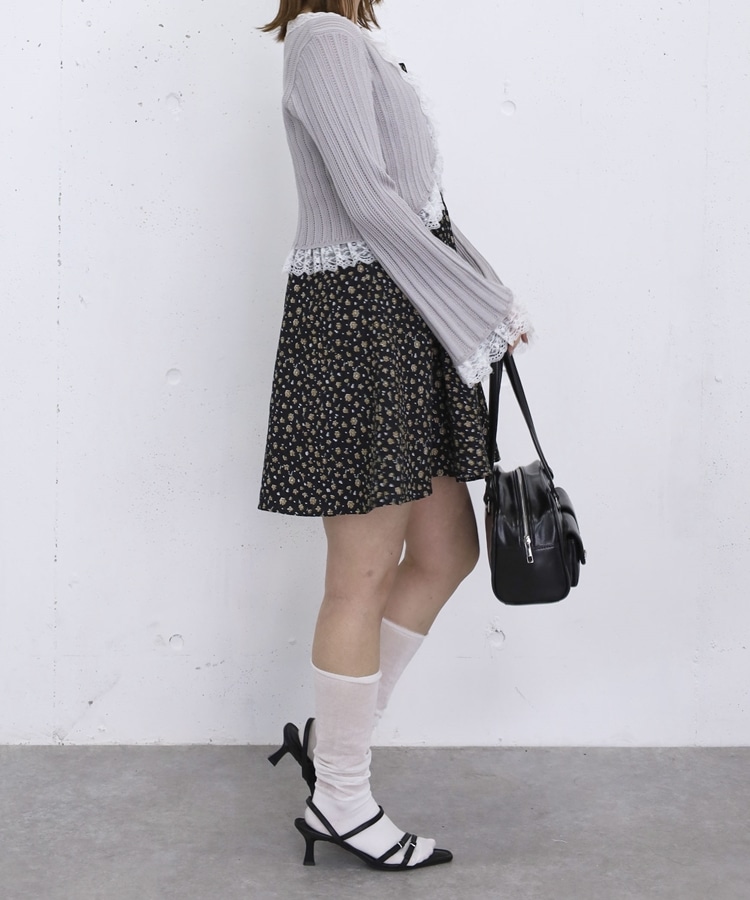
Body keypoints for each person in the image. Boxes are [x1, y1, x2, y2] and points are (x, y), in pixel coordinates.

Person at [258, 0, 530, 871]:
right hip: (359, 328)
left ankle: (335, 755)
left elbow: (422, 208)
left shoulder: (357, 45)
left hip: (403, 320)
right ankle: (341, 797)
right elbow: (370, 202)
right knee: (362, 575)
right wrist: (479, 308)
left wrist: (489, 294)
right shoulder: (321, 40)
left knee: (448, 550)